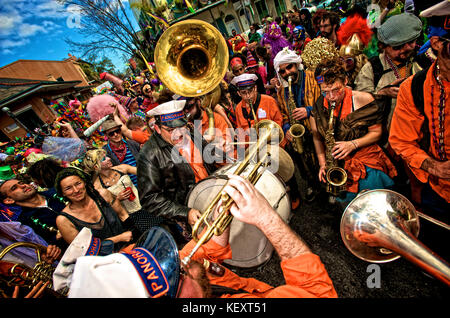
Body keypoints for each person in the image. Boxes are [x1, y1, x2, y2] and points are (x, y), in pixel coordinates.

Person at [67, 174, 338, 298]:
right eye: (177, 274)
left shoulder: (168, 275)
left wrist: (220, 216)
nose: (183, 263)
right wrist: (266, 217)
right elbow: (316, 291)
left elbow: (204, 252)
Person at [389, 10, 450, 225]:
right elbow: (401, 140)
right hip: (439, 193)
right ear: (437, 43)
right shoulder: (415, 86)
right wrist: (434, 167)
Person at [310, 58, 397, 204]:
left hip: (366, 162)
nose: (331, 97)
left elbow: (376, 133)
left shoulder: (364, 99)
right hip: (338, 165)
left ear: (345, 81)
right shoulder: (318, 105)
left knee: (373, 206)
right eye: (325, 91)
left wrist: (352, 144)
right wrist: (322, 163)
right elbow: (317, 137)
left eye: (336, 90)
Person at [137, 100, 219, 242]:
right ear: (157, 128)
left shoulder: (191, 135)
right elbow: (149, 199)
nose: (178, 134)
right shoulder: (149, 154)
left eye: (181, 127)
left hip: (212, 196)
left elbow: (211, 157)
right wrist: (185, 213)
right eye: (170, 130)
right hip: (189, 215)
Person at [354, 13, 423, 133]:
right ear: (383, 47)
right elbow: (360, 109)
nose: (403, 51)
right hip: (386, 138)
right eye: (397, 47)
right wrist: (382, 93)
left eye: (410, 44)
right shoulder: (372, 68)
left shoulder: (422, 62)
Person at [54, 167, 139, 252]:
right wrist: (119, 238)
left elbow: (123, 215)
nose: (76, 190)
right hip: (104, 261)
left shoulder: (103, 195)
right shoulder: (64, 220)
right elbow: (83, 250)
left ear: (85, 182)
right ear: (62, 193)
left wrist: (137, 239)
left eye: (78, 183)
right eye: (68, 188)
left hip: (131, 247)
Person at [273, 48, 319, 203]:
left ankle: (328, 186)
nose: (287, 73)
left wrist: (308, 110)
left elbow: (326, 100)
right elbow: (284, 115)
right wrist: (287, 129)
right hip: (298, 133)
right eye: (282, 71)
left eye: (289, 67)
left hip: (317, 130)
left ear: (296, 64)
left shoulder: (313, 77)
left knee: (321, 159)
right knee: (303, 162)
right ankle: (312, 184)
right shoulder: (281, 91)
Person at [0, 178, 67, 247]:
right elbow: (46, 245)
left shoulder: (57, 192)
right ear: (9, 200)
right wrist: (57, 238)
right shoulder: (26, 223)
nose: (23, 186)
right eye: (14, 188)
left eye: (21, 183)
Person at [231, 73, 284, 146]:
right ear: (239, 93)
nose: (248, 96)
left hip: (271, 144)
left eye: (250, 91)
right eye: (244, 93)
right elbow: (240, 129)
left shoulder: (269, 101)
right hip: (252, 146)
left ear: (255, 88)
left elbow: (279, 122)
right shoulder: (238, 108)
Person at [101, 119, 140, 187]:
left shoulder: (132, 144)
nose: (115, 135)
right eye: (111, 133)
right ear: (106, 135)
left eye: (117, 131)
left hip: (144, 182)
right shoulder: (105, 152)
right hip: (127, 187)